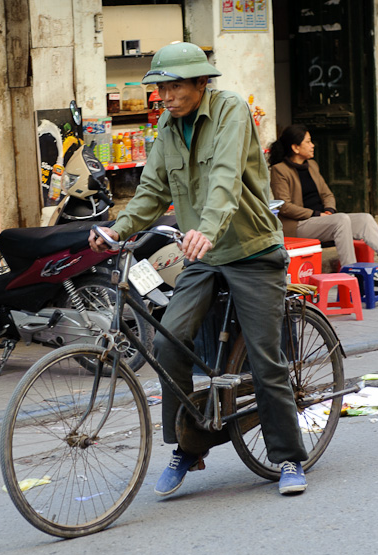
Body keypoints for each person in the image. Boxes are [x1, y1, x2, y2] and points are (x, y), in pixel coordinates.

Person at [88, 42, 309, 497]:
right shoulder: (168, 128)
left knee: (266, 360)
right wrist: (116, 229)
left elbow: (226, 177)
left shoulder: (230, 111)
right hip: (202, 254)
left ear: (200, 83)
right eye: (160, 89)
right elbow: (151, 191)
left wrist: (207, 228)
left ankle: (287, 457)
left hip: (249, 248)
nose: (164, 97)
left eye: (173, 87)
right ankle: (190, 446)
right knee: (170, 343)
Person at [269, 124, 378, 275]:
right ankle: (352, 272)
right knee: (341, 220)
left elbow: (327, 194)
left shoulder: (312, 166)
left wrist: (329, 211)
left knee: (365, 219)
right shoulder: (280, 170)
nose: (312, 145)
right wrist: (316, 214)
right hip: (298, 225)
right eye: (308, 142)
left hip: (322, 220)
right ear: (295, 148)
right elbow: (285, 207)